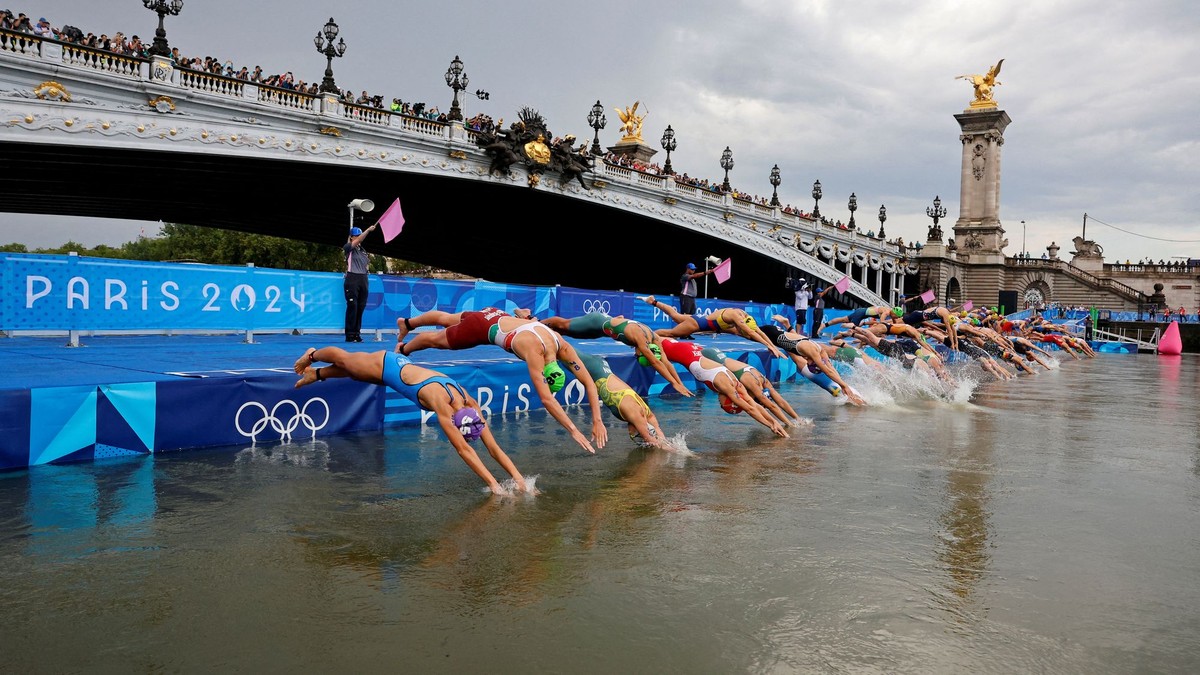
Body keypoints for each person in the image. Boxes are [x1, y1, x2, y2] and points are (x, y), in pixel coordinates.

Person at [293, 346, 531, 495]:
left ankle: (318, 375)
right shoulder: (441, 404)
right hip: (386, 364)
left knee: (356, 373)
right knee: (346, 360)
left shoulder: (471, 405)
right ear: (456, 421)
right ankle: (313, 354)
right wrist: (493, 484)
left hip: (399, 372)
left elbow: (493, 447)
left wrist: (519, 479)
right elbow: (463, 450)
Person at [395, 307, 609, 453]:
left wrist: (597, 421)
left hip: (496, 315)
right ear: (544, 369)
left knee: (446, 318)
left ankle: (407, 323)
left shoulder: (561, 344)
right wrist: (573, 430)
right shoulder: (534, 352)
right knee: (436, 341)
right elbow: (546, 400)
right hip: (482, 328)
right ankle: (403, 349)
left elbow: (589, 382)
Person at [657, 337, 789, 437]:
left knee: (661, 337)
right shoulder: (726, 387)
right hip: (681, 351)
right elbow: (749, 409)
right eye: (722, 405)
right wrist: (770, 425)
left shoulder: (737, 385)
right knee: (651, 342)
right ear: (727, 401)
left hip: (693, 349)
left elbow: (753, 405)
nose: (719, 404)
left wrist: (774, 422)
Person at [540, 312, 694, 397]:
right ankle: (534, 322)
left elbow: (665, 361)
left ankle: (536, 326)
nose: (636, 354)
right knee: (563, 325)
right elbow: (655, 362)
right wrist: (673, 383)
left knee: (563, 333)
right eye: (639, 355)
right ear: (645, 350)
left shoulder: (655, 338)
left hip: (601, 331)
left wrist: (679, 383)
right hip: (596, 322)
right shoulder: (640, 338)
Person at [575, 351, 671, 448]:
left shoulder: (648, 416)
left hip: (600, 366)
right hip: (595, 367)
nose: (630, 434)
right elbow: (653, 442)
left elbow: (662, 440)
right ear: (638, 428)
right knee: (563, 348)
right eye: (634, 435)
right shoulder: (635, 414)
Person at [766, 316, 867, 405]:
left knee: (796, 348)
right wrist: (844, 386)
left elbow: (831, 370)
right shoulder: (852, 396)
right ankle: (787, 325)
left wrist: (844, 385)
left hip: (821, 371)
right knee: (793, 351)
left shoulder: (820, 354)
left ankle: (787, 325)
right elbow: (829, 370)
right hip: (813, 373)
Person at [640, 296, 783, 358]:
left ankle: (653, 301)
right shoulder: (736, 318)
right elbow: (751, 333)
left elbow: (757, 332)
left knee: (676, 316)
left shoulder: (745, 317)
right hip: (696, 325)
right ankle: (644, 337)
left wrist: (772, 346)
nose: (741, 333)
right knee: (670, 333)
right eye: (742, 331)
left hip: (698, 320)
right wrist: (768, 345)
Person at [701, 347, 804, 427]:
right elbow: (771, 406)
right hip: (709, 355)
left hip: (716, 355)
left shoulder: (763, 381)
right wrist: (789, 424)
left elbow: (781, 401)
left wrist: (797, 419)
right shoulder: (752, 384)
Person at [343, 223, 377, 342]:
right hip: (352, 278)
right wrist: (367, 230)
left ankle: (357, 333)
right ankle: (350, 334)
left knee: (361, 307)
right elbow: (358, 241)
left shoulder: (363, 251)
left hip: (363, 279)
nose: (358, 237)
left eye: (359, 235)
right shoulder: (348, 248)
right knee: (353, 306)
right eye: (356, 236)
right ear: (351, 237)